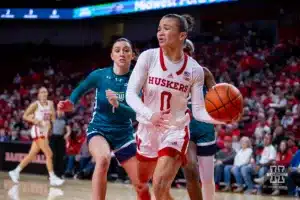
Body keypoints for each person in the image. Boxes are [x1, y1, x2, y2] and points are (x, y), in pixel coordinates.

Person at [126, 14, 224, 200]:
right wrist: (150, 114)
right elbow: (130, 94)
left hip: (175, 130)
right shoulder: (149, 57)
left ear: (182, 36)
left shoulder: (195, 70)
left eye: (167, 28)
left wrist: (221, 118)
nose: (160, 32)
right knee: (144, 184)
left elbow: (198, 110)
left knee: (160, 183)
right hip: (147, 129)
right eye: (159, 28)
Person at [58, 38, 150, 200]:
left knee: (142, 186)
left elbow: (137, 114)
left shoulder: (138, 81)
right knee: (103, 159)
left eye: (126, 50)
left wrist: (117, 104)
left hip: (124, 135)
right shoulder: (100, 75)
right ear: (112, 55)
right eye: (117, 50)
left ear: (132, 56)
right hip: (99, 130)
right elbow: (80, 89)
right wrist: (71, 102)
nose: (122, 53)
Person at [182, 39, 218, 200]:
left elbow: (218, 97)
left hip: (204, 128)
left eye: (187, 49)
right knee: (190, 169)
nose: (184, 52)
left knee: (207, 176)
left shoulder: (204, 72)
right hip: (184, 127)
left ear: (192, 52)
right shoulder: (168, 75)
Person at [9, 87, 65, 186]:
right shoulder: (35, 104)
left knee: (31, 155)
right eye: (42, 92)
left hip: (45, 132)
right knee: (49, 154)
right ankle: (52, 177)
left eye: (45, 92)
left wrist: (53, 120)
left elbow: (53, 118)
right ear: (38, 95)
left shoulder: (51, 104)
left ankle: (15, 171)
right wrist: (35, 120)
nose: (44, 94)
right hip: (37, 131)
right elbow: (25, 116)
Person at [50, 110, 71, 177]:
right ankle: (52, 173)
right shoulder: (53, 119)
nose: (59, 113)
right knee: (53, 155)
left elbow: (69, 130)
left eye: (61, 112)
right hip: (53, 138)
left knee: (60, 156)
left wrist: (66, 135)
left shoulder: (65, 120)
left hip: (61, 138)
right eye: (58, 111)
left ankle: (59, 173)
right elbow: (49, 128)